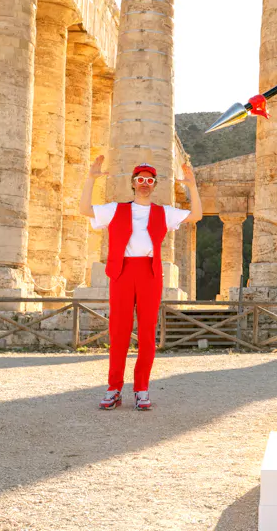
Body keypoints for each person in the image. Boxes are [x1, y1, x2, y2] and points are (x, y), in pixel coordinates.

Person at [81, 155, 201, 411]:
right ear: (133, 183)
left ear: (154, 185)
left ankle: (142, 389)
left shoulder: (163, 212)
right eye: (140, 179)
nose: (145, 183)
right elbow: (84, 210)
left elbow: (197, 215)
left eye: (149, 180)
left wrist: (191, 186)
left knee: (147, 334)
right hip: (122, 271)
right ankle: (114, 389)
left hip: (149, 272)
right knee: (119, 332)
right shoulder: (116, 209)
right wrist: (90, 179)